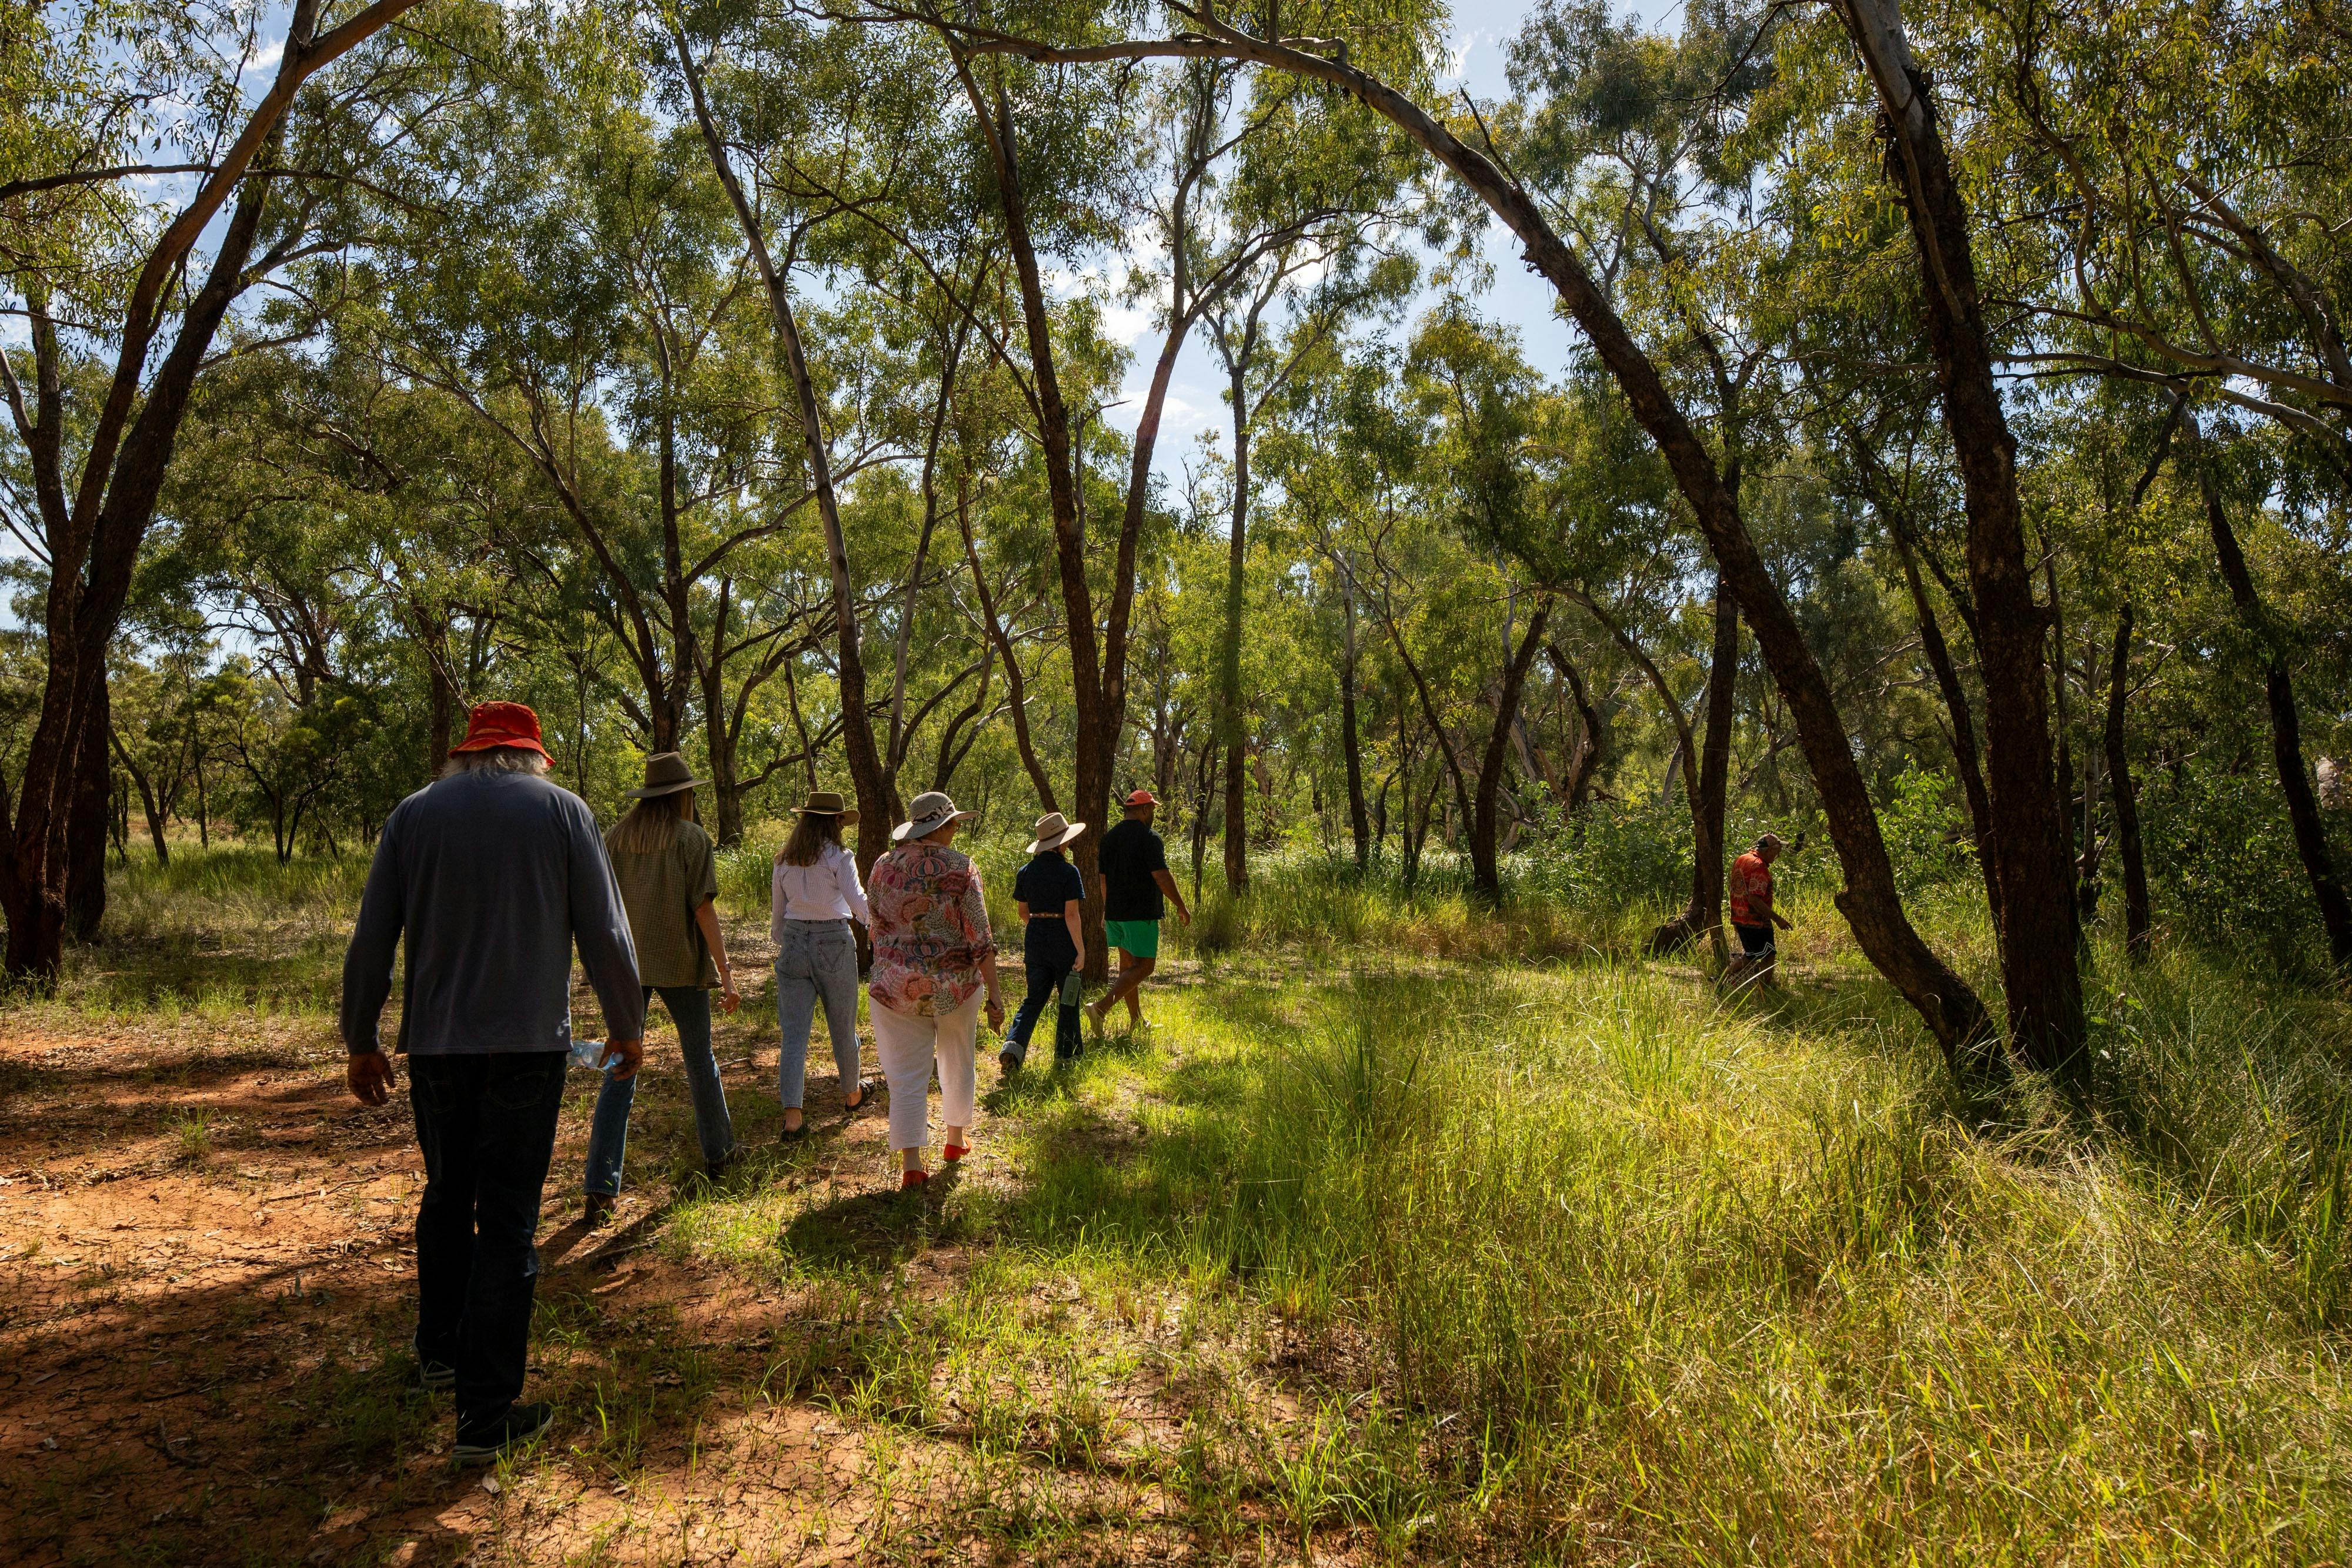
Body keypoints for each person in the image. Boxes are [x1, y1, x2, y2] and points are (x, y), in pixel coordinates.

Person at [341, 701, 644, 1466]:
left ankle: (439, 1350)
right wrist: (626, 1019)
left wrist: (362, 1036)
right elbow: (604, 929)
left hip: (437, 1049)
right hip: (524, 1050)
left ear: (468, 754)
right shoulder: (563, 811)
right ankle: (484, 1413)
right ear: (532, 754)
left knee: (447, 1193)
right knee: (507, 1218)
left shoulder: (413, 815)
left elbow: (373, 932)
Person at [581, 753, 743, 1225]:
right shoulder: (692, 839)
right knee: (700, 1059)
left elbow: (597, 910)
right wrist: (726, 974)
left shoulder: (614, 839)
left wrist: (596, 968)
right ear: (682, 795)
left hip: (625, 967)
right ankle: (719, 1154)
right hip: (679, 966)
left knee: (620, 1064)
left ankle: (600, 1185)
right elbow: (704, 912)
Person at [865, 791, 1005, 1190]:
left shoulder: (882, 866)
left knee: (905, 1073)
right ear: (940, 828)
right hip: (955, 987)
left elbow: (875, 924)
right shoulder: (962, 868)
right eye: (954, 823)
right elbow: (980, 935)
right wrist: (994, 993)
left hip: (895, 988)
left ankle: (912, 1164)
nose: (957, 829)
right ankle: (955, 1140)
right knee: (957, 1060)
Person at [771, 790, 873, 1139]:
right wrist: (879, 929)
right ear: (835, 822)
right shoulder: (839, 857)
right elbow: (858, 902)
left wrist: (791, 943)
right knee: (843, 1025)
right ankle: (853, 1094)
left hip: (794, 940)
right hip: (834, 940)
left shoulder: (783, 860)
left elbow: (777, 919)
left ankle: (793, 1119)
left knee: (794, 1035)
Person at [1086, 788, 1192, 1032]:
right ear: (1144, 810)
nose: (1153, 812)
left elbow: (1103, 880)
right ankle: (1101, 1008)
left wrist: (1107, 908)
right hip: (1140, 913)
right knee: (1145, 966)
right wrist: (1181, 905)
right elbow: (1161, 876)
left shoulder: (1108, 838)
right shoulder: (1149, 837)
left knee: (1127, 967)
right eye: (1152, 808)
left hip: (1115, 913)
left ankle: (1136, 1020)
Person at [1002, 811, 1087, 1074]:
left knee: (1034, 999)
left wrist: (1040, 928)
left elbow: (1023, 913)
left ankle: (1013, 1048)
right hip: (1063, 940)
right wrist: (1081, 950)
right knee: (1068, 999)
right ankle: (1067, 1056)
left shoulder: (1025, 871)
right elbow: (1072, 915)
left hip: (1036, 939)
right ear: (1061, 842)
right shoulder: (1069, 872)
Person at [1723, 831, 1793, 988]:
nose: (1778, 855)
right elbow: (1754, 899)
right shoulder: (1759, 867)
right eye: (1776, 852)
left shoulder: (1743, 859)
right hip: (1756, 920)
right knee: (1769, 955)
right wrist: (1778, 919)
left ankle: (1722, 979)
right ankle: (1765, 991)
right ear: (1768, 851)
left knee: (1751, 955)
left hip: (1740, 917)